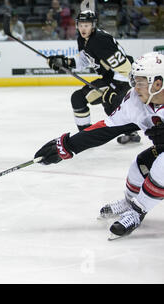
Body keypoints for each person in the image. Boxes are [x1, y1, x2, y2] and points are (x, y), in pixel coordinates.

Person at [34, 52, 164, 240]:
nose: (136, 88)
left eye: (141, 83)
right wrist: (68, 146)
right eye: (135, 82)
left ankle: (137, 211)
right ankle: (129, 203)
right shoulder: (135, 102)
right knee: (139, 167)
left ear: (158, 83)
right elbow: (108, 128)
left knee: (162, 166)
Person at [46, 10, 140, 144]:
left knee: (79, 98)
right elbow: (85, 59)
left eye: (87, 25)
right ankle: (130, 131)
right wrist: (65, 62)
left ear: (93, 25)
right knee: (109, 107)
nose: (83, 28)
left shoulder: (100, 39)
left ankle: (85, 138)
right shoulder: (83, 39)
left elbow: (125, 67)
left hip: (122, 79)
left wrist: (116, 88)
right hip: (110, 78)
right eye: (81, 25)